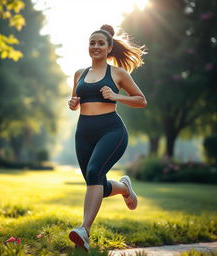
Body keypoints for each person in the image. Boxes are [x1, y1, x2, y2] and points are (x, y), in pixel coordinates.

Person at [67, 24, 147, 251]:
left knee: (94, 172)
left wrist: (116, 97)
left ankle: (84, 231)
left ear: (109, 47)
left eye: (100, 43)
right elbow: (76, 102)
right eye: (92, 43)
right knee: (96, 183)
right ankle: (123, 187)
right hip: (83, 132)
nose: (95, 46)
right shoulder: (79, 74)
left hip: (111, 130)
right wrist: (72, 103)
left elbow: (141, 100)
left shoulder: (118, 74)